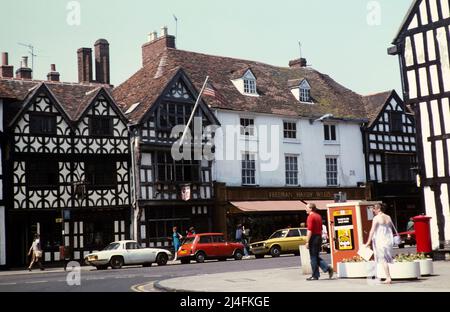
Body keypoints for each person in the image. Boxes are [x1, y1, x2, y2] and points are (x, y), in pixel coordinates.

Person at [363, 203, 394, 284]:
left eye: (374, 209)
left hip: (380, 240)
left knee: (383, 259)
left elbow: (372, 231)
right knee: (386, 259)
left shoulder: (376, 218)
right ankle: (387, 276)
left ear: (378, 209)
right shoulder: (388, 217)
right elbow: (390, 229)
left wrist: (368, 242)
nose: (373, 211)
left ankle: (388, 278)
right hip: (388, 240)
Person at [305, 203, 333, 280]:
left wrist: (307, 241)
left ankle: (315, 275)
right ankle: (327, 268)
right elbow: (320, 229)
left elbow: (309, 230)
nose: (305, 209)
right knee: (315, 256)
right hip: (318, 237)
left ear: (311, 208)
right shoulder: (318, 216)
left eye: (306, 208)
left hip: (313, 238)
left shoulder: (310, 217)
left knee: (313, 257)